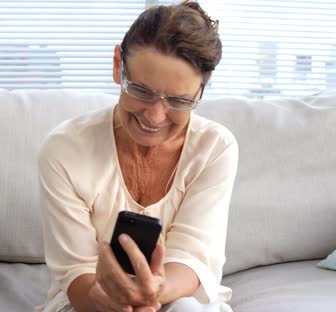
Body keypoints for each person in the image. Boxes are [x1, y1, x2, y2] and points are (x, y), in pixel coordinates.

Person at [36, 1, 238, 311]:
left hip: (175, 297)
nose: (155, 117)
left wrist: (153, 292)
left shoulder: (214, 147)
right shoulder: (64, 149)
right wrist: (113, 300)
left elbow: (192, 258)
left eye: (179, 101)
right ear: (118, 65)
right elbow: (76, 274)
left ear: (200, 94)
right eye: (142, 91)